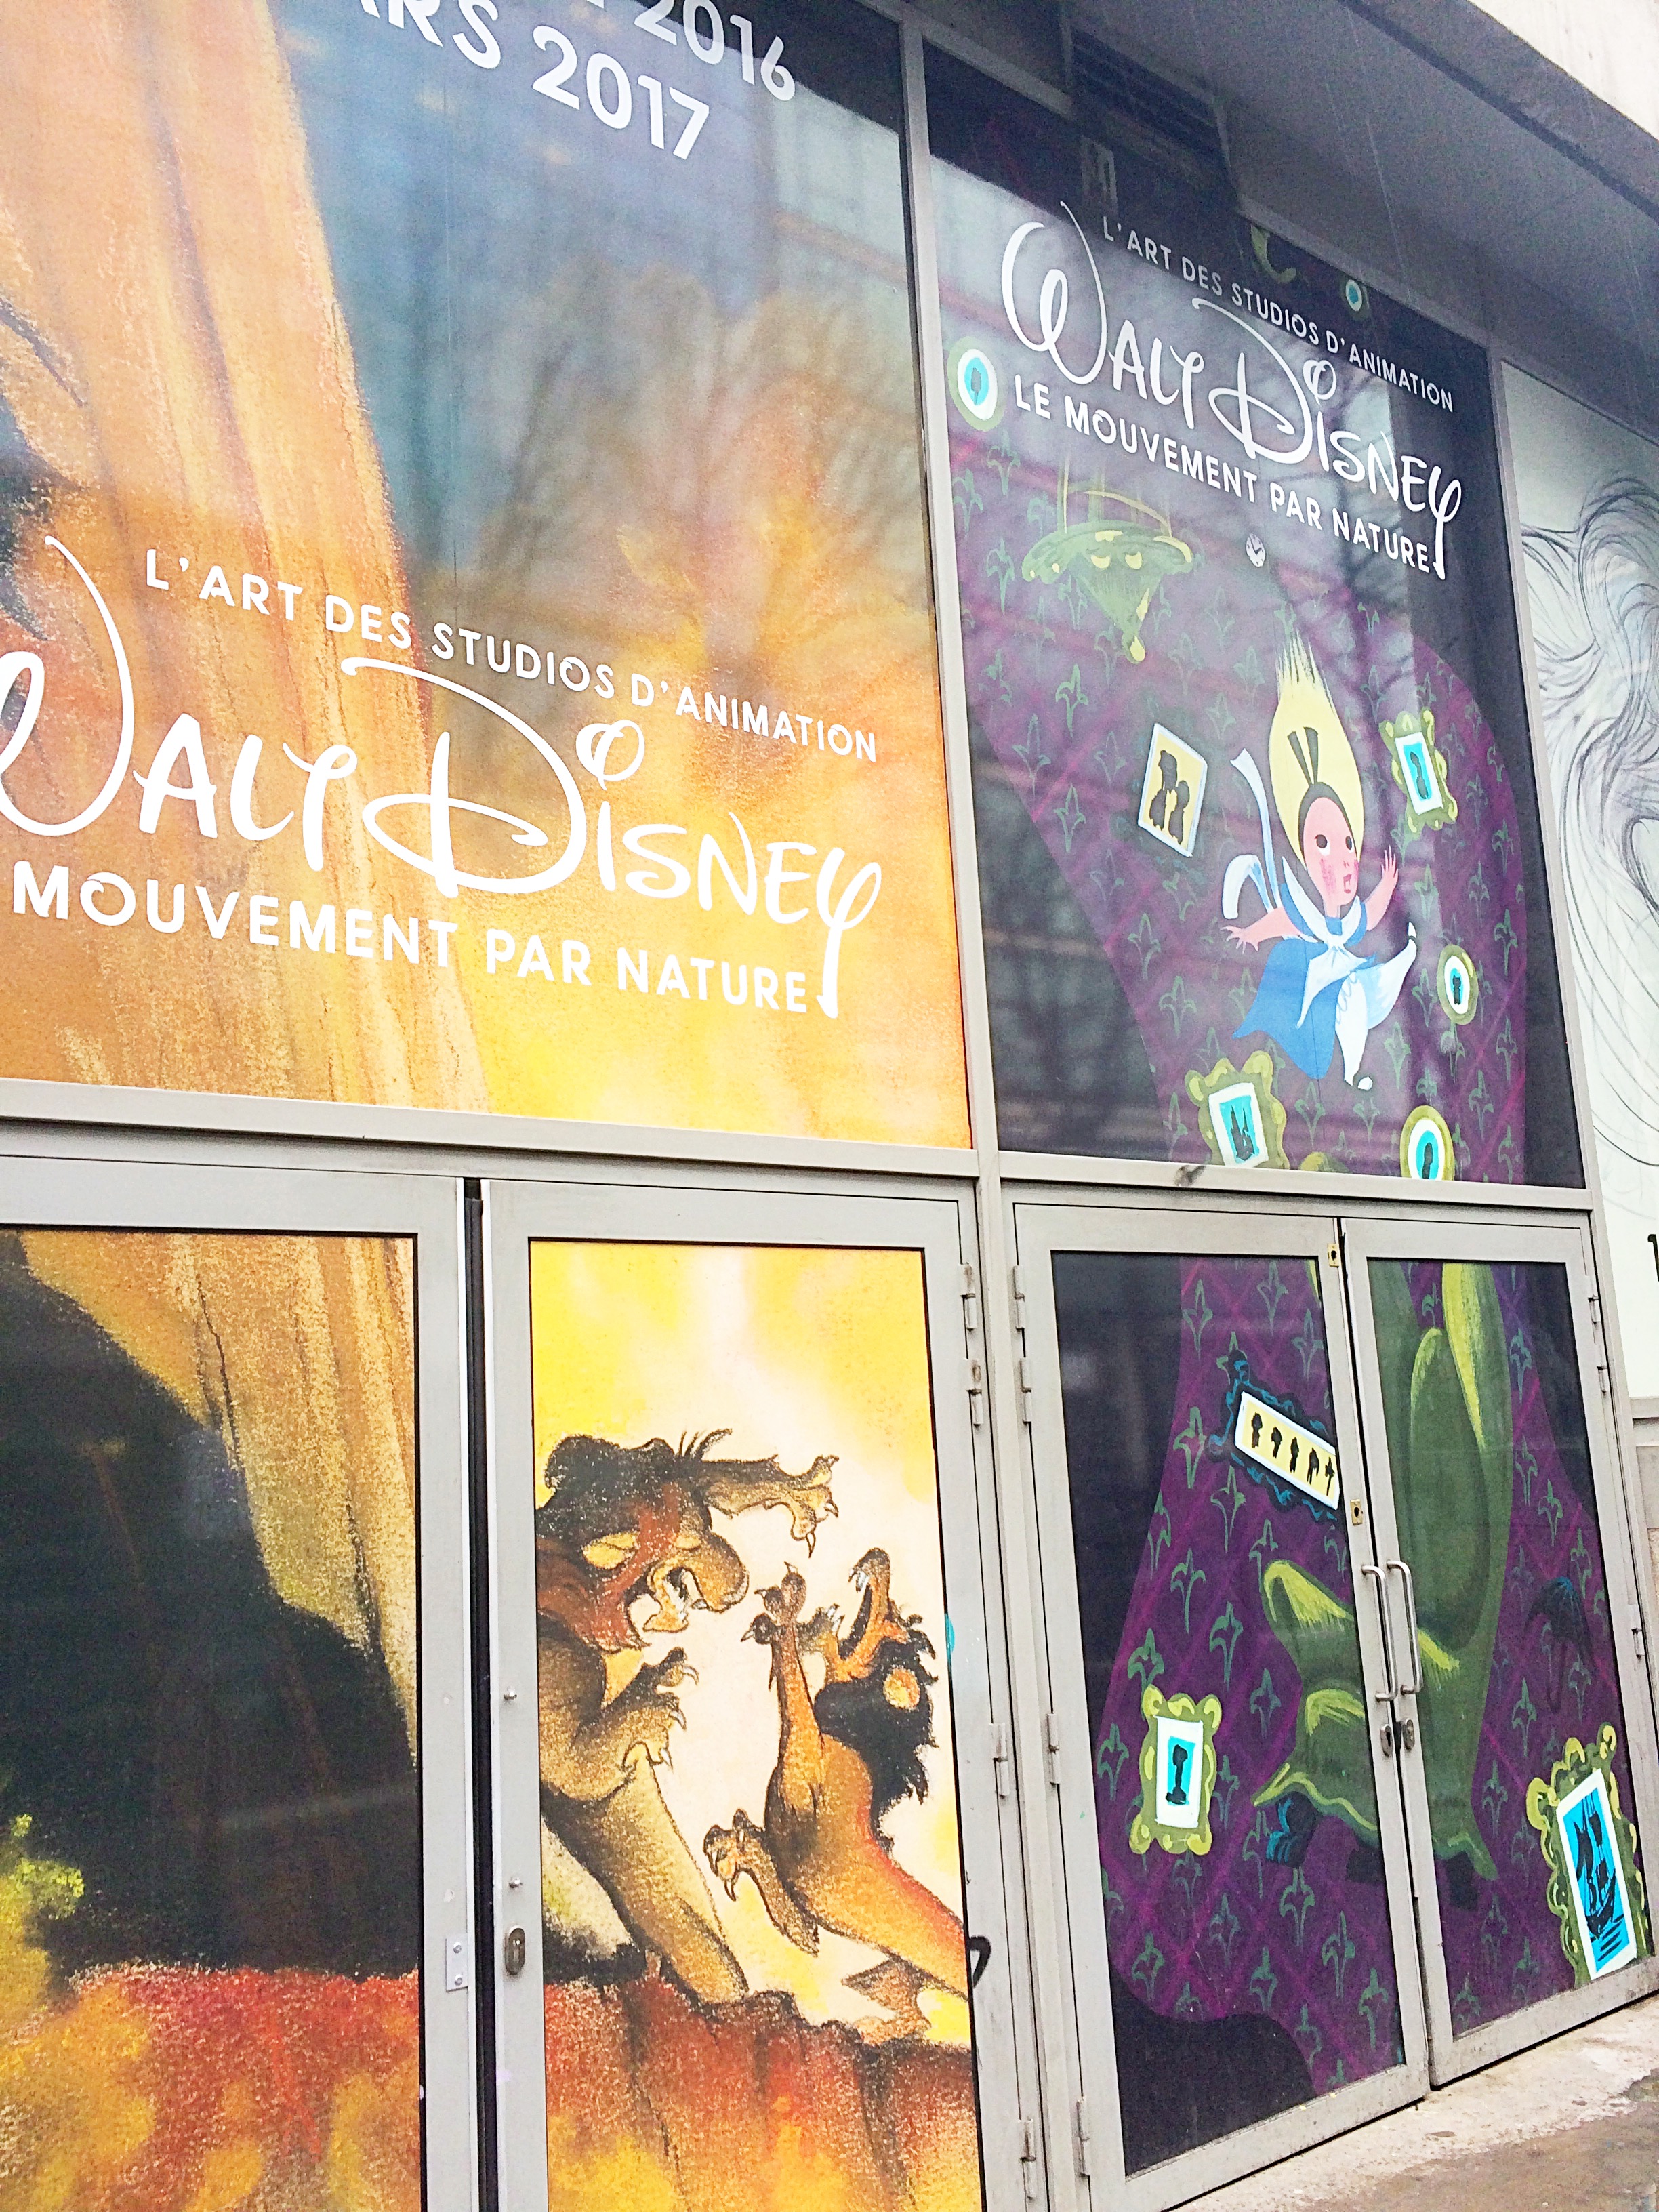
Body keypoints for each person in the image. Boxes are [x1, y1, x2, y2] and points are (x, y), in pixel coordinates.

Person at [1223, 638, 1416, 1088]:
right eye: (1323, 844)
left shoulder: (1350, 922)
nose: (1343, 860)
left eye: (1348, 842)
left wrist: (1388, 884)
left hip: (1346, 985)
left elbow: (1370, 913)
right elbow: (1283, 919)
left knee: (1364, 995)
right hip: (1311, 989)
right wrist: (1252, 934)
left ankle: (1351, 1070)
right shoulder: (1303, 911)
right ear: (1305, 856)